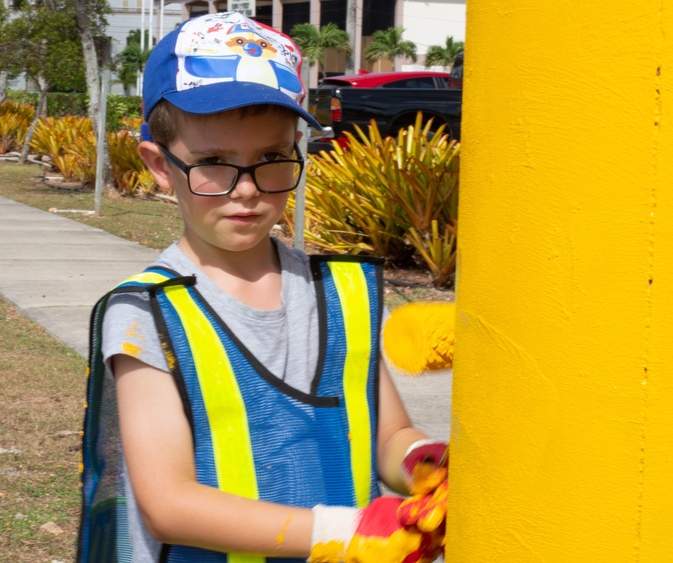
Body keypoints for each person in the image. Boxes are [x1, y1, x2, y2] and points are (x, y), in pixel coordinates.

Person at [79, 12, 448, 563]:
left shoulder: (340, 294)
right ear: (159, 165)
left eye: (272, 159)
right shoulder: (145, 314)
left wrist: (424, 462)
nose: (247, 190)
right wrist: (347, 535)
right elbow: (168, 503)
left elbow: (388, 434)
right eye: (213, 164)